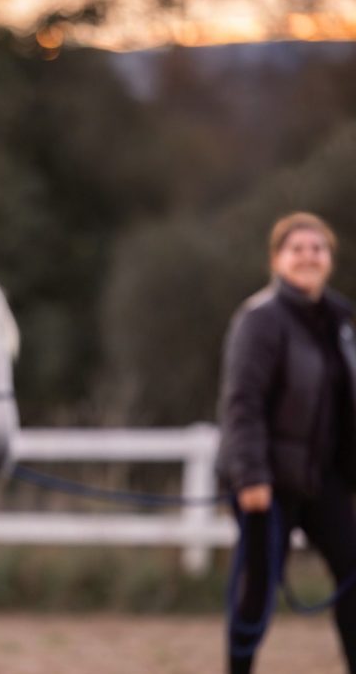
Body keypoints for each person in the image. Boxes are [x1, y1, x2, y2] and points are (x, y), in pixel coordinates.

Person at [216, 212, 356, 674]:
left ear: (330, 259)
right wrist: (251, 478)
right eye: (297, 248)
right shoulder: (260, 320)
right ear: (277, 260)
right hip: (268, 482)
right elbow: (243, 403)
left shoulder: (342, 321)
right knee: (258, 589)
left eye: (317, 248)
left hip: (325, 479)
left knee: (353, 575)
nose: (308, 256)